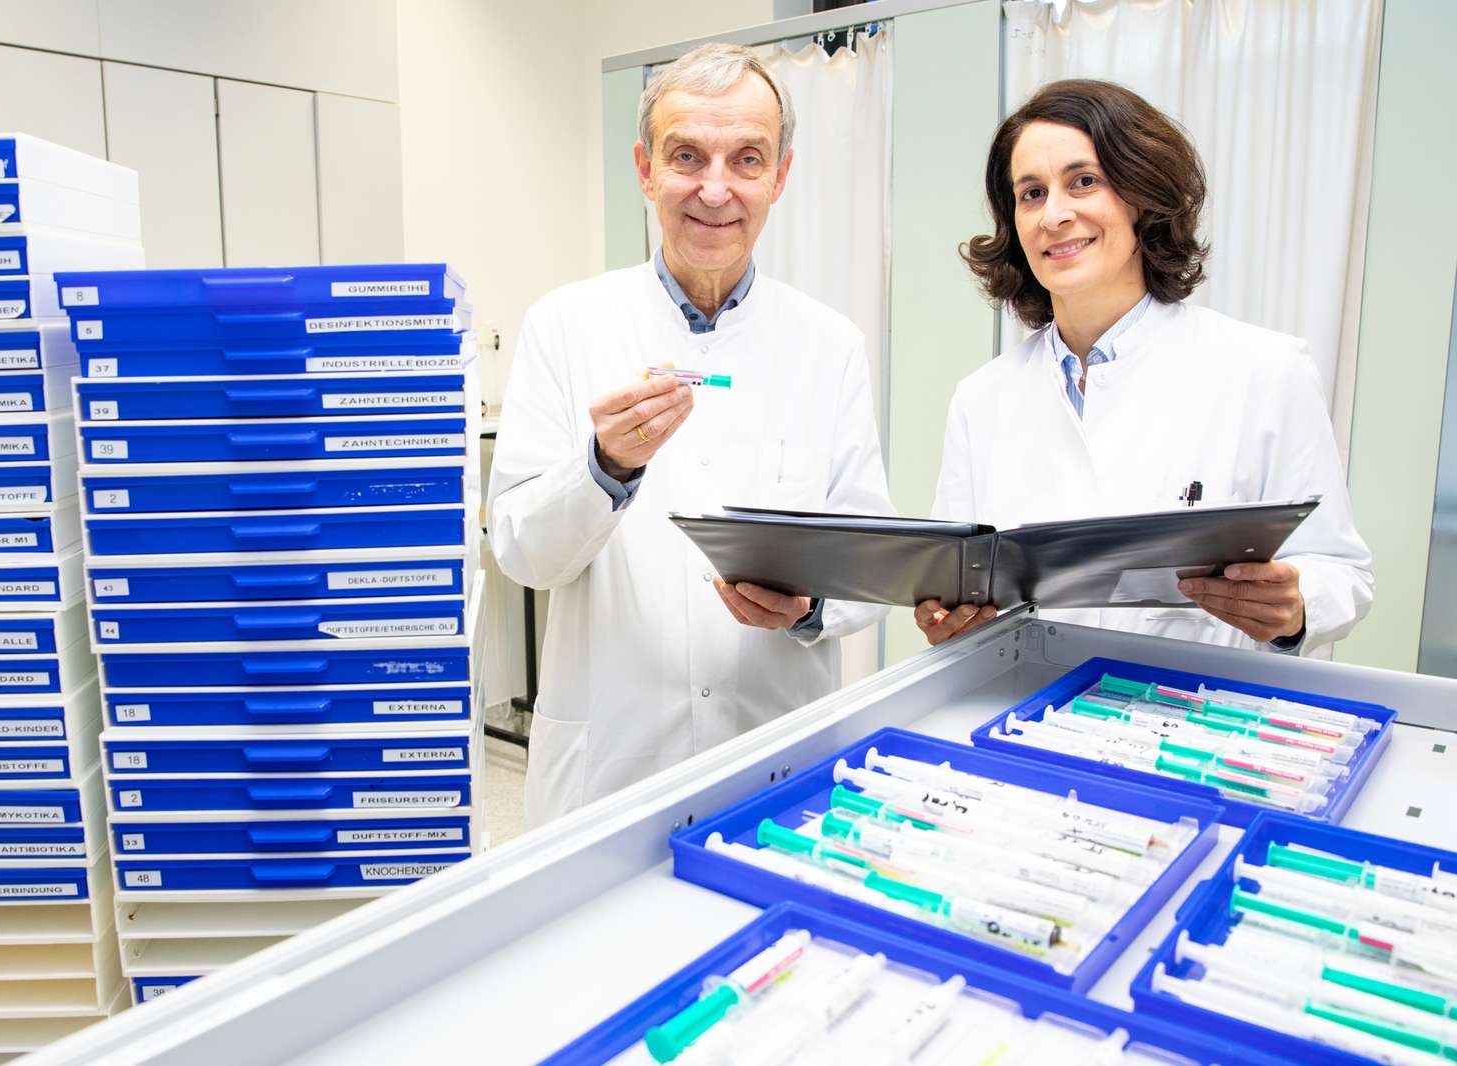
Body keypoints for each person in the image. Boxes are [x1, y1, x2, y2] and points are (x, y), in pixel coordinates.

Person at [489, 43, 892, 828]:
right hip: (609, 765)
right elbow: (521, 554)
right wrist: (604, 468)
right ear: (645, 170)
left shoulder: (829, 343)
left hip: (776, 751)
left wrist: (810, 606)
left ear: (780, 176)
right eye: (686, 156)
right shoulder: (566, 325)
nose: (715, 189)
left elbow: (870, 560)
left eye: (747, 159)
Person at [917, 78, 1372, 654]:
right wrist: (950, 621)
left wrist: (1296, 605)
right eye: (1031, 193)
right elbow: (956, 585)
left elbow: (1344, 572)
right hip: (1020, 716)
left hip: (1198, 722)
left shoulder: (1265, 370)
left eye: (1084, 181)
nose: (1054, 214)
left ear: (1142, 197)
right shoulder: (981, 399)